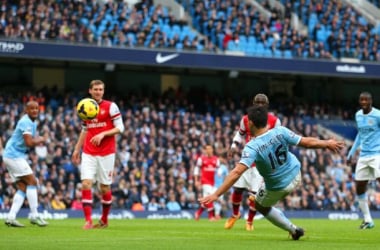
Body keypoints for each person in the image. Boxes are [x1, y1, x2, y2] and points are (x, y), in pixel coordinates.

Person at [199, 105, 344, 240]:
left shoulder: (252, 147)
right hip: (296, 174)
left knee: (260, 205)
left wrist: (216, 194)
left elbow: (237, 172)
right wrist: (327, 143)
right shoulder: (281, 131)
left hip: (278, 186)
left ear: (250, 123)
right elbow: (306, 142)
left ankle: (293, 230)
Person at [72, 80, 125, 230]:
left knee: (104, 187)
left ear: (103, 91)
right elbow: (85, 130)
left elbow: (120, 127)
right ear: (90, 91)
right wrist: (77, 149)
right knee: (86, 183)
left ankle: (104, 220)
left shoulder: (111, 106)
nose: (98, 92)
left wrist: (103, 134)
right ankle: (88, 221)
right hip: (89, 152)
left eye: (101, 89)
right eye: (95, 89)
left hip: (107, 153)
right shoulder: (84, 107)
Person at [225, 93, 281, 231]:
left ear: (267, 105)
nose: (260, 105)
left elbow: (279, 139)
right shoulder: (246, 119)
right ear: (253, 103)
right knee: (237, 189)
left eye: (263, 103)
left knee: (253, 195)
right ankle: (235, 214)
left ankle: (249, 221)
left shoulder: (274, 121)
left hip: (262, 163)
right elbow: (240, 133)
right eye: (258, 102)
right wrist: (233, 145)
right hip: (247, 159)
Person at [3, 100, 48, 227]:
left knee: (23, 187)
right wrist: (41, 140)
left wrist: (38, 140)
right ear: (26, 110)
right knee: (33, 182)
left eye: (36, 108)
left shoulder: (32, 122)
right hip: (14, 155)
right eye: (31, 109)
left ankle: (11, 217)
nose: (34, 110)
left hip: (12, 155)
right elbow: (29, 142)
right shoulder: (26, 122)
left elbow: (28, 142)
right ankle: (35, 215)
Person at [347, 91, 380, 229]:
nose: (364, 102)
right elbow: (360, 135)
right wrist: (351, 152)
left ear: (371, 101)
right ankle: (368, 220)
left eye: (366, 100)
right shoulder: (358, 115)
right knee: (360, 185)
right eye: (362, 100)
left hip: (377, 154)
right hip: (363, 155)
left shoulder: (378, 115)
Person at [193, 144, 220, 221]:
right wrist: (196, 180)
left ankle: (198, 213)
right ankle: (211, 216)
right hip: (204, 181)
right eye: (207, 149)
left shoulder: (216, 159)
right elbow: (196, 169)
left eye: (210, 148)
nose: (209, 150)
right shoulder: (201, 159)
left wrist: (219, 174)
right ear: (205, 150)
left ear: (212, 150)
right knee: (210, 196)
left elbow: (218, 169)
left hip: (213, 182)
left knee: (207, 199)